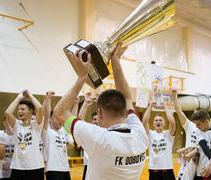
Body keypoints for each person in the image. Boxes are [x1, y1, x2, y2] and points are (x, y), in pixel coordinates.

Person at [53, 41, 148, 180]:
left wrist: (82, 78)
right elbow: (127, 97)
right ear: (125, 112)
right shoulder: (140, 133)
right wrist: (116, 60)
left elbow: (59, 113)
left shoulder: (98, 139)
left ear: (100, 113)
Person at [172, 86, 211, 179]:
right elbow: (178, 111)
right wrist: (174, 95)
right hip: (190, 161)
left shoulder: (208, 125)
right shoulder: (189, 125)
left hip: (203, 162)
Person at [5, 90, 44, 179]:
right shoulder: (16, 125)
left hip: (36, 168)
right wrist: (19, 97)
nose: (19, 111)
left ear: (31, 111)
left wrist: (30, 95)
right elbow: (7, 113)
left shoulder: (36, 125)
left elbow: (40, 108)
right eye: (18, 109)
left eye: (22, 109)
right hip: (17, 168)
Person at [42, 91, 72, 180]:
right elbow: (45, 114)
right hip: (53, 169)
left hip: (66, 169)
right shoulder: (47, 131)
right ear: (50, 119)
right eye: (57, 118)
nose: (60, 121)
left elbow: (72, 117)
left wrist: (75, 103)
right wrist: (48, 99)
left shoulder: (62, 131)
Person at [142, 100, 176, 180]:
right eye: (156, 120)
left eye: (160, 120)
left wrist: (165, 107)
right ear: (153, 124)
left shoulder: (168, 134)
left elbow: (172, 123)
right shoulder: (150, 134)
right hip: (154, 170)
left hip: (167, 170)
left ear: (164, 123)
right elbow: (144, 121)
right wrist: (150, 106)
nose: (158, 121)